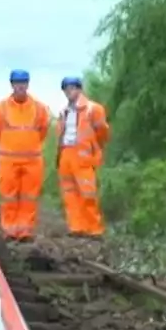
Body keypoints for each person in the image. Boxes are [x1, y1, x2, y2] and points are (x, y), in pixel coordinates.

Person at [0, 70, 50, 241]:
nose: (20, 86)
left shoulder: (39, 108)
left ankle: (25, 232)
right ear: (12, 85)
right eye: (17, 83)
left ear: (28, 84)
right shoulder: (1, 109)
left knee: (29, 197)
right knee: (9, 196)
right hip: (9, 160)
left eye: (23, 82)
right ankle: (9, 231)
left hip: (32, 160)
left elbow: (43, 130)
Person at [55, 76, 109, 237]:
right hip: (66, 154)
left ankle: (94, 229)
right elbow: (60, 133)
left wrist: (93, 149)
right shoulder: (63, 112)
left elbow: (103, 133)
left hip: (83, 156)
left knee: (87, 193)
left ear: (79, 89)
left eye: (72, 88)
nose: (68, 92)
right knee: (69, 193)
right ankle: (76, 227)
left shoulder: (93, 109)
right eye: (66, 89)